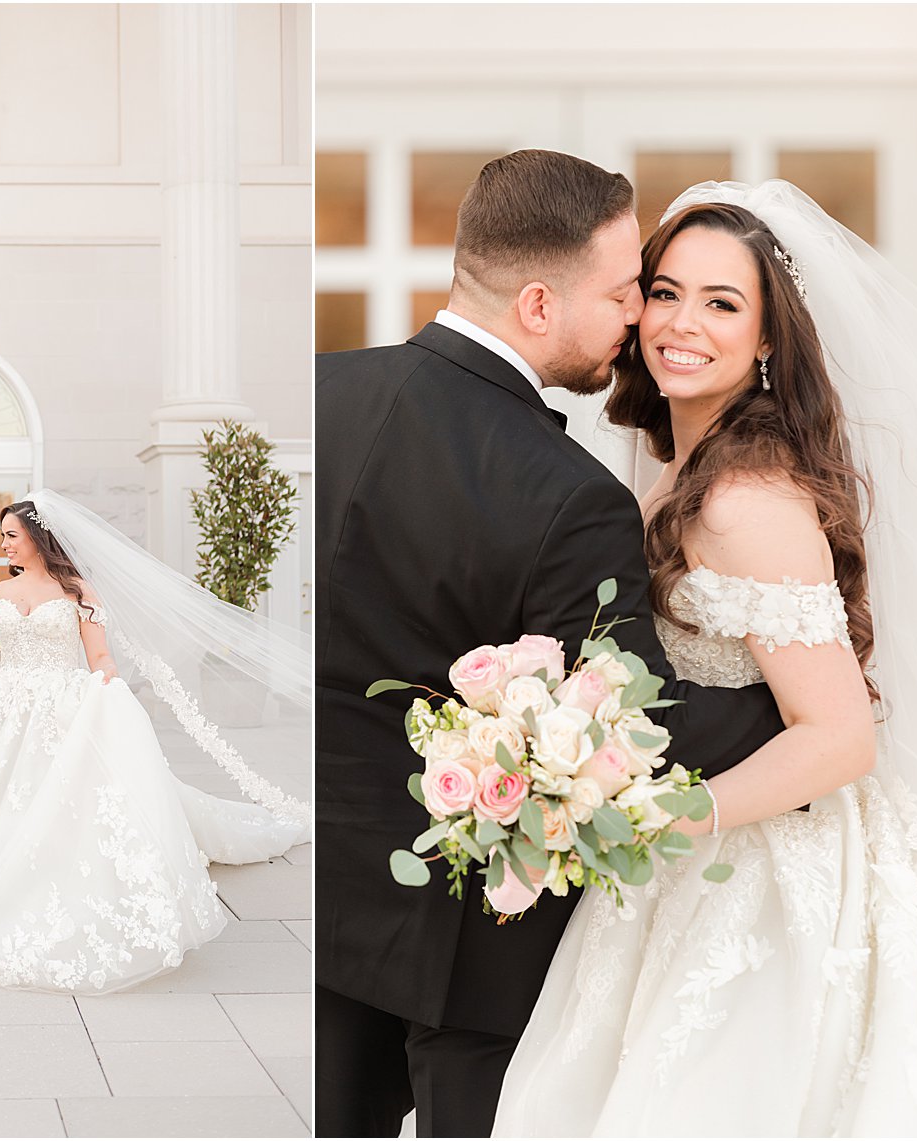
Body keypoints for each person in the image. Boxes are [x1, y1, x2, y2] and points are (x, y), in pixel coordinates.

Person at [493, 183, 917, 1136]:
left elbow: (841, 736)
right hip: (688, 856)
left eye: (723, 304)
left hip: (757, 876)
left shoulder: (744, 498)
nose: (681, 323)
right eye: (666, 292)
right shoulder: (681, 461)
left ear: (766, 340)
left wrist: (658, 818)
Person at [314, 150, 788, 1137]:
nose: (637, 322)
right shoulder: (564, 492)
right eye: (626, 293)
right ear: (537, 304)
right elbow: (631, 717)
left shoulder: (320, 395)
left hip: (324, 912)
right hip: (468, 940)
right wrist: (792, 709)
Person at [0, 489, 311, 993]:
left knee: (66, 799)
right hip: (4, 707)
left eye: (10, 536)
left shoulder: (78, 592)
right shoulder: (0, 594)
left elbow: (101, 658)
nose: (2, 545)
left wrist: (106, 684)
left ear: (38, 539)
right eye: (1, 536)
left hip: (64, 706)